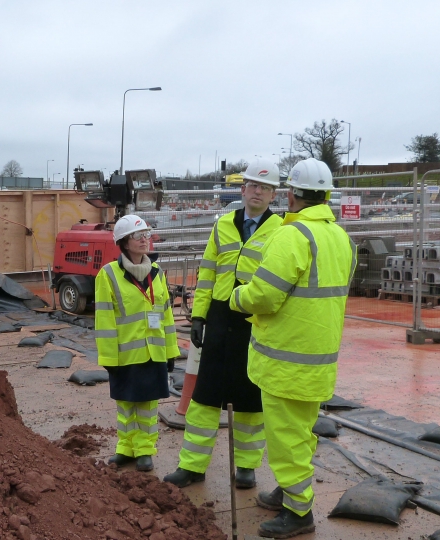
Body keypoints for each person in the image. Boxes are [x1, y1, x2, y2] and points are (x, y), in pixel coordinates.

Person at [229, 158, 356, 538]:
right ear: (326, 195)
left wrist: (237, 298)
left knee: (285, 437)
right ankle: (289, 491)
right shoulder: (341, 238)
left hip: (285, 360)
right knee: (300, 430)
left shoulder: (293, 236)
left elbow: (263, 296)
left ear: (291, 195)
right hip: (318, 358)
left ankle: (299, 513)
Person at [163, 158, 283, 489]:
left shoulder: (281, 232)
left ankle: (246, 466)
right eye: (253, 186)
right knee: (204, 396)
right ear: (243, 189)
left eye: (265, 187)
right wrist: (199, 316)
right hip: (218, 318)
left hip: (255, 321)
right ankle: (192, 466)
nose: (257, 192)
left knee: (249, 399)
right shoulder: (223, 225)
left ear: (273, 194)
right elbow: (207, 273)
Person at [94, 214, 180, 472]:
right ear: (124, 242)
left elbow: (166, 314)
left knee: (147, 406)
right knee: (126, 405)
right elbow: (104, 320)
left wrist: (171, 351)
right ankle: (126, 447)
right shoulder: (107, 275)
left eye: (147, 234)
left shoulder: (157, 273)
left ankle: (144, 450)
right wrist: (109, 359)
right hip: (124, 356)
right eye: (138, 236)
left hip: (153, 353)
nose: (145, 240)